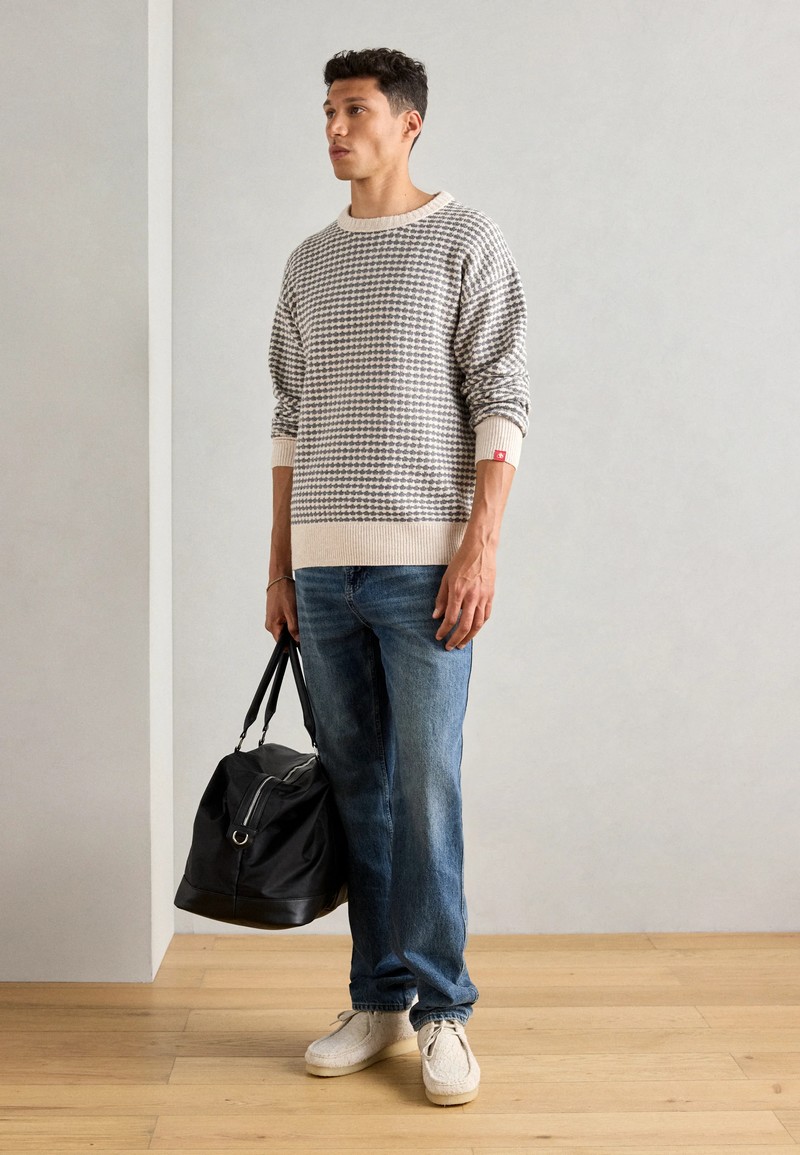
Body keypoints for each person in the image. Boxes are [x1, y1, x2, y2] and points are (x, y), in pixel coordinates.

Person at [264, 46, 530, 1107]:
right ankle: (376, 997)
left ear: (407, 122)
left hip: (427, 568)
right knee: (356, 790)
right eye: (327, 110)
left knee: (425, 789)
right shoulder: (308, 263)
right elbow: (288, 420)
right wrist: (279, 564)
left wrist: (481, 543)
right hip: (322, 571)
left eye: (356, 109)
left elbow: (502, 392)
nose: (335, 127)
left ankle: (442, 1009)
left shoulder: (465, 240)